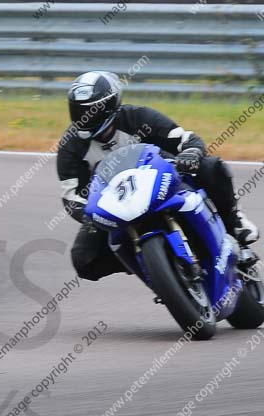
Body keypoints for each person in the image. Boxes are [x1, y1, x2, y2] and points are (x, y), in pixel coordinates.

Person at [57, 71, 259, 281]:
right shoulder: (72, 146)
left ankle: (235, 223)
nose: (84, 117)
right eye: (78, 110)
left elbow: (186, 139)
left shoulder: (138, 117)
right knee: (84, 260)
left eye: (91, 110)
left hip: (163, 183)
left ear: (110, 104)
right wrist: (94, 216)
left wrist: (191, 152)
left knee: (210, 166)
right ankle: (155, 269)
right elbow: (72, 197)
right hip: (116, 209)